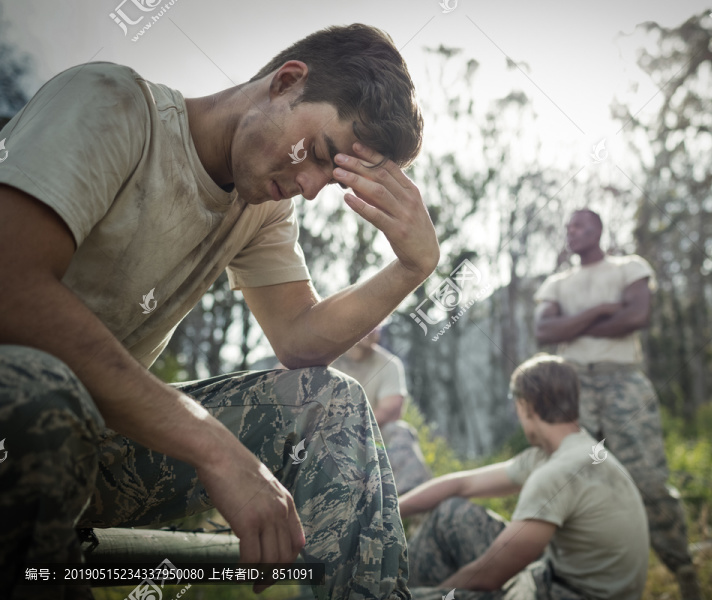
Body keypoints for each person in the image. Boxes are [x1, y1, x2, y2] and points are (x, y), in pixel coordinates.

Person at [0, 23, 439, 600]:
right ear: (286, 82)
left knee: (330, 403)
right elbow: (11, 286)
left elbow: (300, 343)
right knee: (44, 387)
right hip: (20, 414)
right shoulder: (112, 103)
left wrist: (412, 267)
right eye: (320, 155)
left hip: (96, 443)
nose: (310, 188)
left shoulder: (263, 210)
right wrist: (214, 447)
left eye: (330, 180)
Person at [533, 209, 703, 600]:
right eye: (568, 227)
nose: (571, 232)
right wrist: (600, 311)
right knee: (571, 477)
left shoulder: (629, 267)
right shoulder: (557, 283)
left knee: (647, 478)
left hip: (623, 380)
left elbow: (637, 315)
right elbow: (544, 330)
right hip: (572, 386)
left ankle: (683, 570)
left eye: (579, 225)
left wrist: (573, 325)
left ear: (599, 229)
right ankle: (575, 580)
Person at [399, 354, 649, 600]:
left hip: (568, 593)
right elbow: (462, 484)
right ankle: (395, 584)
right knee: (450, 514)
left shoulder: (557, 472)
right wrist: (390, 512)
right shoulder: (568, 452)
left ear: (526, 406)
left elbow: (489, 575)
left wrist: (436, 594)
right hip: (555, 577)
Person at [332, 324, 431, 495]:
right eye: (364, 321)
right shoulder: (323, 357)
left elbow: (391, 410)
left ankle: (418, 502)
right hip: (324, 438)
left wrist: (352, 429)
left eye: (376, 322)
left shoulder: (389, 364)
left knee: (398, 431)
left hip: (368, 436)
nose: (372, 328)